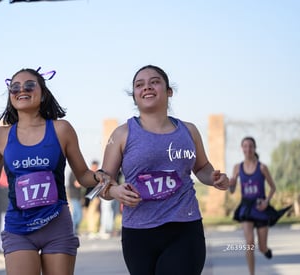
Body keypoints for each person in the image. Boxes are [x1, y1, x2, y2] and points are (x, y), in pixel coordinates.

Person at [0, 67, 106, 275]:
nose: (22, 90)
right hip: (18, 227)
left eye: (30, 85)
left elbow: (83, 175)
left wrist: (98, 176)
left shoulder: (62, 129)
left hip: (56, 224)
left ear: (42, 93)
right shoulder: (0, 136)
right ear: (10, 95)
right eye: (15, 87)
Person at [98, 65, 230, 275]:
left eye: (155, 82)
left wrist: (213, 178)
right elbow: (103, 181)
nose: (147, 87)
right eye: (139, 85)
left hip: (184, 226)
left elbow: (203, 167)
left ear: (169, 92)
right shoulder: (121, 134)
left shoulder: (189, 131)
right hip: (138, 233)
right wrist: (115, 191)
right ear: (134, 96)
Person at [229, 136, 291, 275]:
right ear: (242, 149)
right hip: (246, 208)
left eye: (250, 146)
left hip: (260, 208)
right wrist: (231, 185)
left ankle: (265, 250)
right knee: (250, 242)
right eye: (245, 146)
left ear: (254, 148)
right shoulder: (237, 168)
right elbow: (232, 191)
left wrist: (266, 201)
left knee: (261, 247)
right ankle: (252, 273)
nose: (248, 149)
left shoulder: (262, 167)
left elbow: (273, 187)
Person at [83, 160, 101, 237]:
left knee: (95, 214)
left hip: (96, 197)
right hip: (90, 198)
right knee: (92, 214)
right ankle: (93, 230)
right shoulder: (90, 174)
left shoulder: (99, 175)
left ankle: (93, 230)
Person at [66, 170, 84, 235]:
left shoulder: (76, 173)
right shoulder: (73, 173)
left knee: (76, 215)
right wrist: (84, 182)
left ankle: (74, 230)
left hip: (78, 197)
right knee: (78, 215)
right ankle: (72, 230)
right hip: (74, 196)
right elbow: (76, 184)